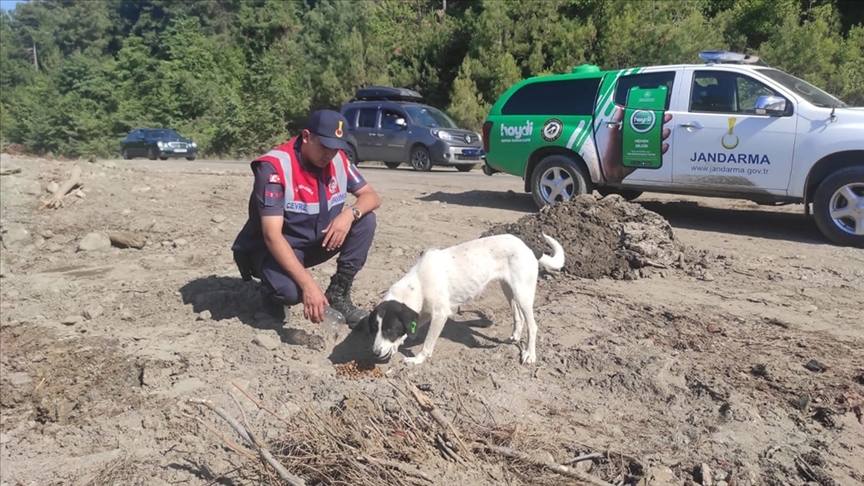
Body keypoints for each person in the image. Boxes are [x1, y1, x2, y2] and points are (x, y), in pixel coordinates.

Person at [231, 109, 381, 328]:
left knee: (365, 220)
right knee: (290, 292)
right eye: (325, 146)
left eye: (337, 148)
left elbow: (372, 196)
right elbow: (271, 236)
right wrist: (309, 285)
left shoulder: (338, 160)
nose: (330, 154)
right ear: (306, 136)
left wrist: (349, 214)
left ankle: (339, 293)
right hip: (275, 248)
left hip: (313, 241)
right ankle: (271, 292)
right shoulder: (274, 167)